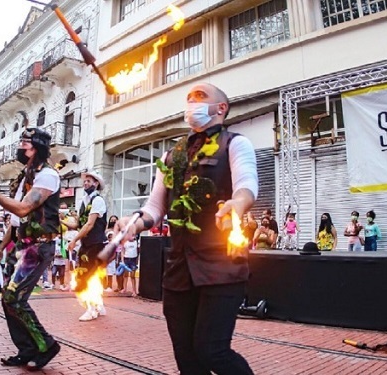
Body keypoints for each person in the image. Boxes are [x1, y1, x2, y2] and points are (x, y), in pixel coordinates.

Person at [114, 83, 256, 374]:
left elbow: (247, 185)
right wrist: (135, 223)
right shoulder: (171, 157)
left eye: (201, 97)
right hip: (179, 268)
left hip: (221, 265)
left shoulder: (236, 143)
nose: (192, 102)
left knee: (212, 350)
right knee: (187, 358)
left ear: (221, 108)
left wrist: (237, 204)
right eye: (189, 98)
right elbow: (155, 207)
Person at [0, 127, 61, 370]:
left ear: (36, 147)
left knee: (13, 297)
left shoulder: (47, 175)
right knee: (9, 300)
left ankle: (46, 345)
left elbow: (22, 209)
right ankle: (27, 349)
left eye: (24, 142)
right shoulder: (26, 176)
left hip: (38, 246)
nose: (20, 146)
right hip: (22, 244)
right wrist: (0, 247)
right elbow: (17, 220)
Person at [66, 170, 108, 322]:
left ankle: (91, 309)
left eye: (89, 181)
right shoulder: (84, 201)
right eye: (85, 181)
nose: (86, 183)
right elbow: (78, 224)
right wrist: (61, 222)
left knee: (87, 276)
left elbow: (90, 224)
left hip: (96, 245)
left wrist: (74, 240)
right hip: (87, 245)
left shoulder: (98, 201)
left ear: (96, 184)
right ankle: (99, 305)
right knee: (90, 276)